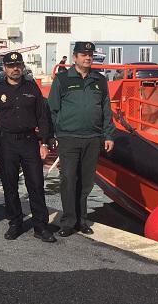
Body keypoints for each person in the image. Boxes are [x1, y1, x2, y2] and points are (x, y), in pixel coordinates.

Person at [47, 42, 115, 237]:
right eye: (83, 54)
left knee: (86, 181)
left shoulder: (99, 80)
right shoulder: (62, 79)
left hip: (93, 138)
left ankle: (82, 220)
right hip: (69, 137)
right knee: (68, 179)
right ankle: (68, 221)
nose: (88, 57)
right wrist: (51, 135)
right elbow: (52, 108)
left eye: (90, 54)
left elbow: (105, 109)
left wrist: (108, 134)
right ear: (75, 57)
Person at [0, 51, 56, 243]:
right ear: (5, 69)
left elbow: (43, 117)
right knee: (9, 185)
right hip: (6, 142)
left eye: (18, 65)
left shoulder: (32, 88)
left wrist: (44, 141)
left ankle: (41, 226)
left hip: (28, 141)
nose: (15, 68)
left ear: (22, 67)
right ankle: (15, 222)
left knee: (35, 184)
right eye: (11, 66)